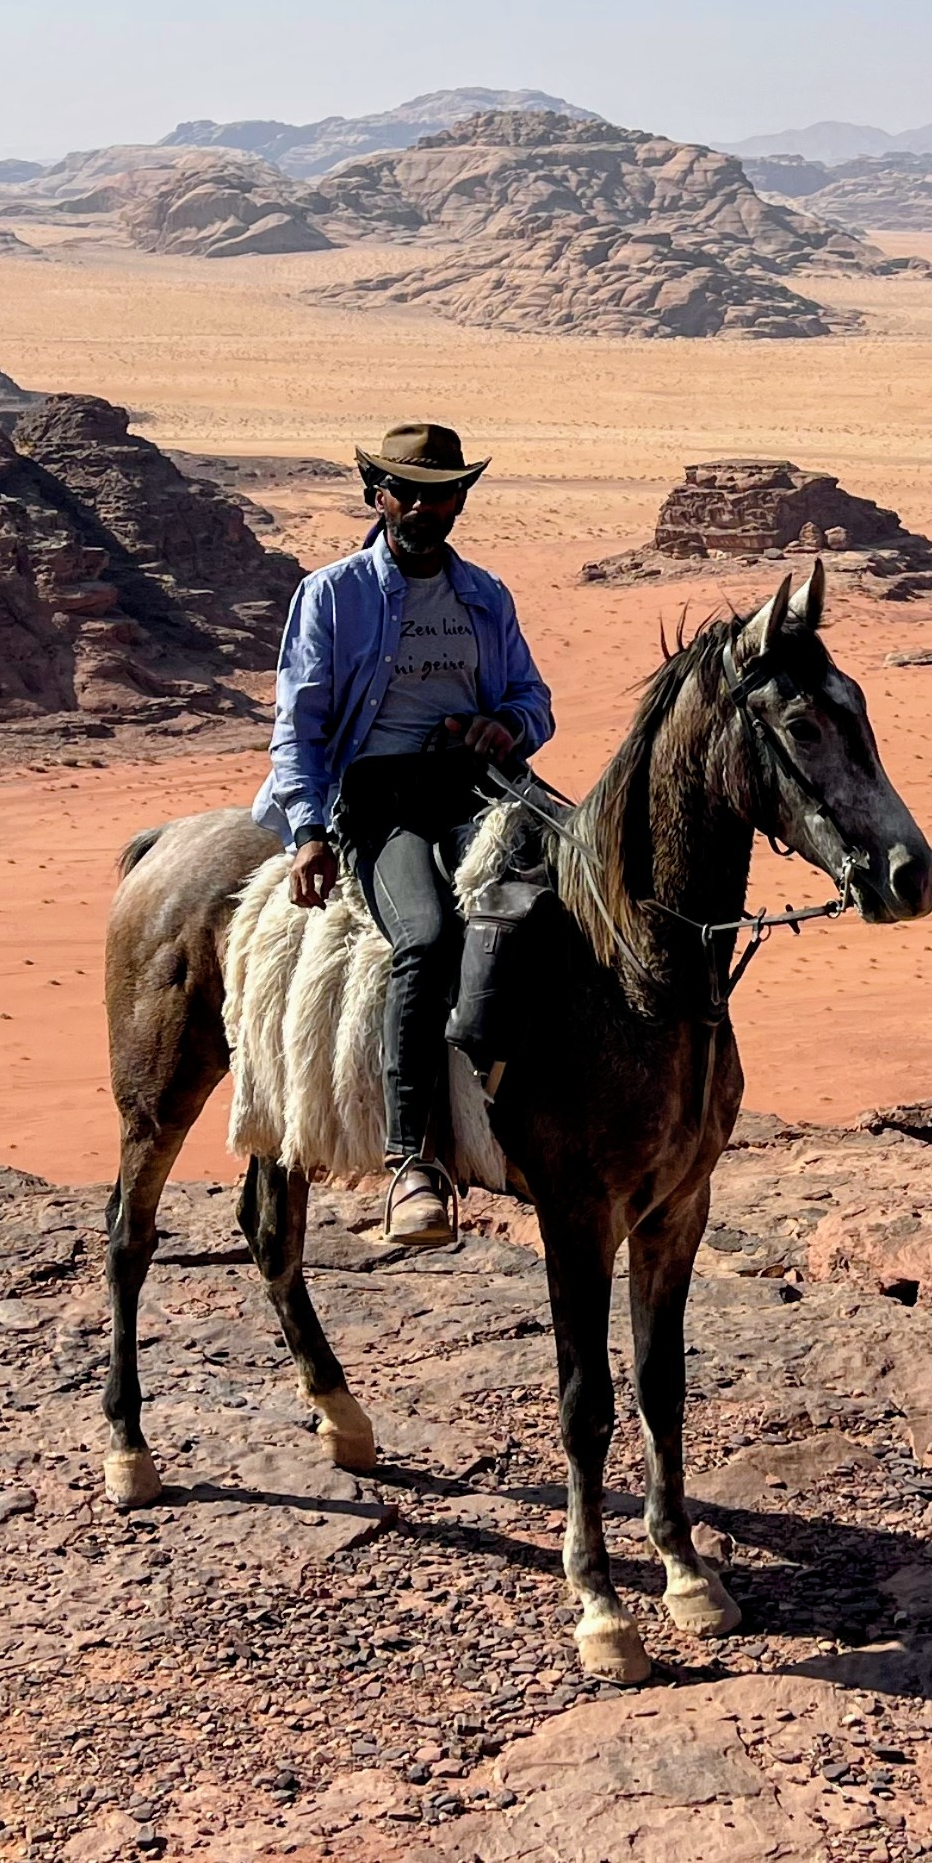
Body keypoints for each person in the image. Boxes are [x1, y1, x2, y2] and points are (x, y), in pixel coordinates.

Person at [252, 420, 555, 1246]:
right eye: (408, 491)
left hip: (477, 791)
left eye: (443, 491)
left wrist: (506, 724)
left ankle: (544, 1120)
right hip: (380, 803)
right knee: (424, 936)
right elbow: (299, 726)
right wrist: (309, 830)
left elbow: (535, 700)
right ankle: (411, 1159)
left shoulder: (485, 596)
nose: (426, 506)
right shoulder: (333, 594)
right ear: (376, 495)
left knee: (574, 904)